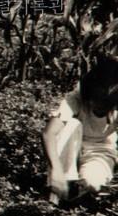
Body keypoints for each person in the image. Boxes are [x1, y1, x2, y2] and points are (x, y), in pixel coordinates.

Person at [43, 57, 118, 204]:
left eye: (105, 104)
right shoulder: (76, 98)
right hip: (71, 146)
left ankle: (77, 192)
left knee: (93, 183)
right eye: (95, 100)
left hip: (99, 150)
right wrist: (56, 170)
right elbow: (49, 133)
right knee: (71, 124)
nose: (97, 106)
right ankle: (58, 192)